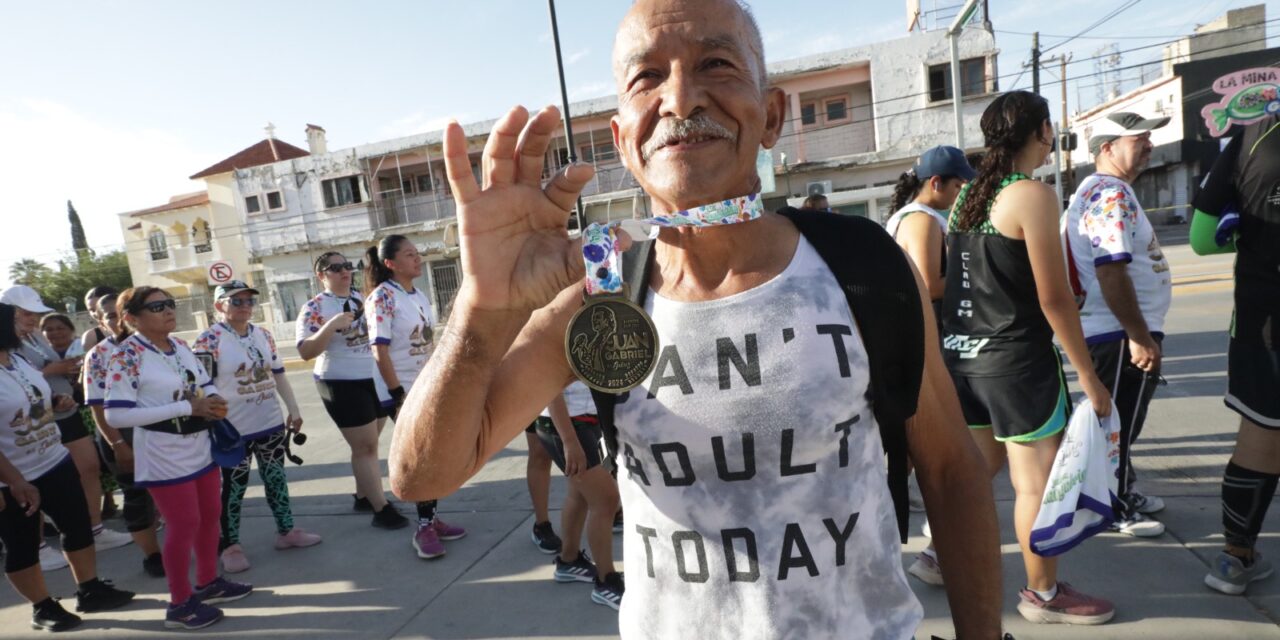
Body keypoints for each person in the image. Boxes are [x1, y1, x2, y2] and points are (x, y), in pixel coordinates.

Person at [388, 1, 1003, 638]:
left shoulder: (862, 265)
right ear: (623, 138)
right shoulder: (599, 302)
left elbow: (951, 469)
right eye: (647, 77)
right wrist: (482, 310)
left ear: (771, 114)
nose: (681, 99)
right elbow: (419, 475)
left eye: (716, 63)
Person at [938, 90, 1115, 625]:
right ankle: (1042, 595)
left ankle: (934, 558)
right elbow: (1053, 297)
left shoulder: (968, 197)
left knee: (975, 475)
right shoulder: (1031, 196)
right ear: (1040, 132)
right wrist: (1091, 378)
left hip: (964, 360)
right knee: (1033, 485)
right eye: (1050, 130)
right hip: (1016, 366)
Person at [105, 286, 252, 630]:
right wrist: (188, 406)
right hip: (163, 451)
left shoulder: (180, 346)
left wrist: (213, 401)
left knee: (209, 516)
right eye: (157, 306)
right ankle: (180, 603)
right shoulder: (126, 356)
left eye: (169, 304)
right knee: (183, 524)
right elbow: (116, 416)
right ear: (131, 318)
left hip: (199, 444)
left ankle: (207, 581)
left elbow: (204, 381)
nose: (168, 310)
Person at [1062, 111, 1174, 538]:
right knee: (1117, 425)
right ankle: (1112, 506)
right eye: (1138, 139)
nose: (1148, 146)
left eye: (1149, 138)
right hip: (1118, 333)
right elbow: (1111, 271)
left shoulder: (1099, 191)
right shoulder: (1110, 194)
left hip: (1114, 330)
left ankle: (1120, 490)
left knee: (1118, 422)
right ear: (1106, 148)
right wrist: (1139, 335)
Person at [0, 301, 136, 632]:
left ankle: (89, 588)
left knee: (76, 525)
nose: (23, 326)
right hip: (15, 477)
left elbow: (35, 397)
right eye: (15, 321)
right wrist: (15, 481)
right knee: (22, 544)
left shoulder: (17, 360)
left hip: (53, 459)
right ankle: (42, 606)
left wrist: (56, 402)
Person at [1191, 112, 1280, 595]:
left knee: (1261, 435)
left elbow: (1202, 240)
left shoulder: (1253, 137)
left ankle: (1235, 556)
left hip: (1262, 320)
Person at [194, 281, 321, 574]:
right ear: (219, 306)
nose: (245, 306)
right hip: (232, 428)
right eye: (236, 301)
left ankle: (286, 531)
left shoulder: (263, 335)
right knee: (233, 487)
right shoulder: (208, 340)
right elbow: (201, 384)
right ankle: (231, 545)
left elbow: (277, 374)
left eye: (249, 300)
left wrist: (293, 408)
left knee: (276, 478)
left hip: (269, 422)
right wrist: (214, 412)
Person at [365, 236, 466, 558]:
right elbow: (379, 349)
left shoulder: (418, 295)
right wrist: (397, 394)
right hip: (401, 391)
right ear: (390, 264)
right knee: (422, 456)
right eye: (409, 255)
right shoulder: (382, 298)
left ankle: (431, 519)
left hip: (425, 385)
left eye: (417, 253)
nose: (417, 259)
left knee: (432, 453)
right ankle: (423, 527)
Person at [296, 252, 408, 530]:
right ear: (321, 275)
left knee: (368, 444)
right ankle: (381, 509)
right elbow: (305, 352)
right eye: (335, 268)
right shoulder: (314, 307)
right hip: (340, 382)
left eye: (347, 266)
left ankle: (362, 495)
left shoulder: (366, 297)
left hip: (373, 377)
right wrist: (330, 326)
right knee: (365, 447)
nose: (345, 271)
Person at [83, 293, 165, 578]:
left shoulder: (157, 345)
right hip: (123, 437)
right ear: (101, 322)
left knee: (176, 492)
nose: (116, 320)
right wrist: (117, 444)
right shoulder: (99, 355)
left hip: (163, 434)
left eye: (119, 313)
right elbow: (97, 406)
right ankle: (152, 555)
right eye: (108, 316)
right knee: (137, 496)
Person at [534, 382, 623, 609]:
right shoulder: (555, 343)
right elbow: (549, 387)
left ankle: (569, 559)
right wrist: (569, 441)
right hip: (566, 424)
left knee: (580, 494)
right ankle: (606, 582)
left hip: (585, 418)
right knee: (605, 500)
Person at [886, 145, 975, 322]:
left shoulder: (918, 216)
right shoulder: (922, 220)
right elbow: (929, 286)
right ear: (936, 183)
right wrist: (978, 277)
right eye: (957, 185)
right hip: (930, 327)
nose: (960, 192)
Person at [525, 420, 562, 555]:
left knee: (597, 444)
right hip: (540, 401)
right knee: (541, 452)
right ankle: (542, 525)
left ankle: (612, 509)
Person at [80, 286, 118, 353]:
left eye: (99, 308)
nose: (96, 313)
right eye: (92, 310)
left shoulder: (139, 327)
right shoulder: (91, 337)